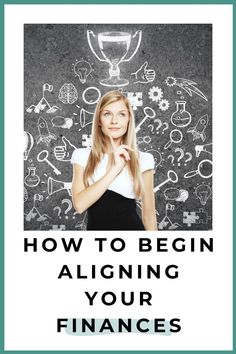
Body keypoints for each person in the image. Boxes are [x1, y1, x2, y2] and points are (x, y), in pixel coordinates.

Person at [71, 90, 157, 230]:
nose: (114, 121)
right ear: (99, 120)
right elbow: (79, 205)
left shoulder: (144, 159)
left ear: (129, 119)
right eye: (107, 114)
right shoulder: (81, 156)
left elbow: (149, 217)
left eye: (121, 114)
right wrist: (115, 169)